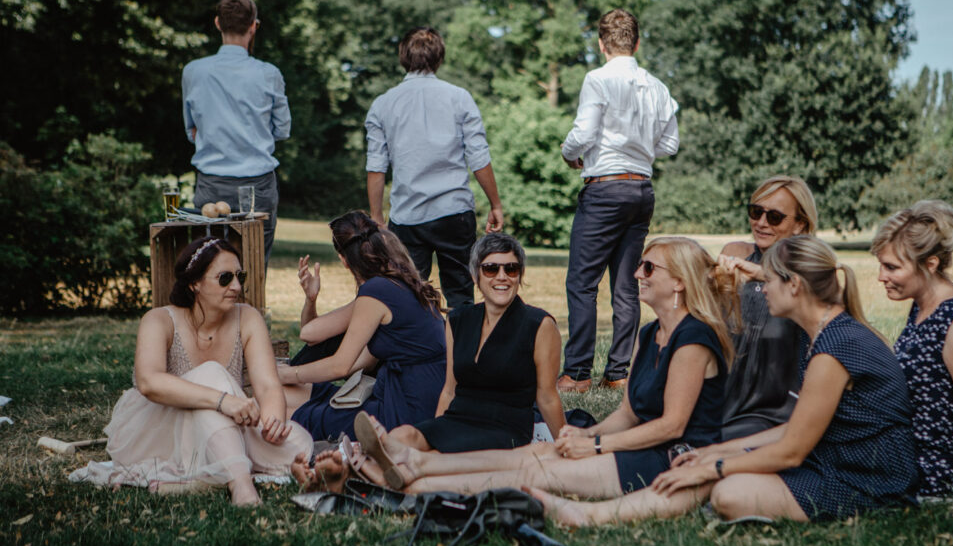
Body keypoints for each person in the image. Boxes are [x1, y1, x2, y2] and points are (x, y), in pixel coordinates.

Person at [528, 235, 920, 526]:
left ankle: (590, 516)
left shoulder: (835, 347)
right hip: (831, 460)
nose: (762, 289)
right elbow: (793, 430)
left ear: (795, 287)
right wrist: (720, 452)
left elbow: (790, 451)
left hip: (867, 480)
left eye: (770, 281)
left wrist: (713, 466)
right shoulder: (827, 334)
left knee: (728, 491)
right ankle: (588, 514)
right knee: (717, 474)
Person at [353, 237, 739, 499]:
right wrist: (581, 435)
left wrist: (595, 444)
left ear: (679, 283)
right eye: (640, 265)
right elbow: (628, 413)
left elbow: (672, 426)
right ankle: (406, 461)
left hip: (673, 457)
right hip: (640, 446)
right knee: (533, 455)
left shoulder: (693, 338)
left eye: (648, 268)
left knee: (530, 471)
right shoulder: (650, 332)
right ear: (476, 275)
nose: (637, 274)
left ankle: (407, 484)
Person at [296, 233, 568, 492]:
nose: (502, 276)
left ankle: (357, 474)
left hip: (503, 428)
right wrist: (436, 428)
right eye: (490, 269)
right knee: (404, 436)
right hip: (459, 418)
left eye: (511, 269)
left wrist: (566, 448)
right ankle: (367, 468)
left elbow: (547, 397)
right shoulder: (459, 320)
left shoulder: (539, 325)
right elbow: (449, 390)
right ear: (475, 275)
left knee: (435, 455)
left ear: (520, 275)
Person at [97, 236, 312, 506]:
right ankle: (242, 486)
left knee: (299, 444)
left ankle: (201, 479)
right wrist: (223, 401)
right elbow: (149, 382)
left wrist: (273, 422)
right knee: (211, 373)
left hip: (220, 425)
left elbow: (268, 386)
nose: (236, 286)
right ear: (194, 283)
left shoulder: (248, 317)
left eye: (240, 276)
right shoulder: (158, 320)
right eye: (225, 278)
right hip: (161, 429)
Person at [558, 9, 680, 393]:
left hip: (606, 188)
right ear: (637, 43)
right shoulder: (657, 86)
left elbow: (584, 133)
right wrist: (640, 147)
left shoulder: (597, 79)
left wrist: (568, 152)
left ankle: (578, 373)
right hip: (641, 189)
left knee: (582, 282)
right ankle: (618, 373)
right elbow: (670, 144)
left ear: (601, 44)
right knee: (626, 285)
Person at [365, 26, 505, 310]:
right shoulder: (460, 97)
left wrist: (377, 218)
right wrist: (495, 204)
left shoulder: (382, 105)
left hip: (407, 215)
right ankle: (460, 340)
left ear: (403, 57)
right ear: (439, 58)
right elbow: (479, 157)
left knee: (409, 299)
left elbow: (376, 168)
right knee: (461, 297)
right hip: (454, 212)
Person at [281, 211, 446, 442]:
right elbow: (312, 335)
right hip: (409, 397)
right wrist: (311, 299)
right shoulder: (396, 284)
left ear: (344, 260)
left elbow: (340, 366)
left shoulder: (377, 291)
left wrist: (288, 373)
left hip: (406, 409)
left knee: (288, 413)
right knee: (284, 394)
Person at [872, 200, 953, 496]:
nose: (880, 276)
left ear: (930, 264)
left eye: (891, 267)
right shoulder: (922, 304)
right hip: (907, 452)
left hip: (935, 473)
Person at [182, 0, 290, 271]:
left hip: (211, 185)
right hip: (258, 187)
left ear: (218, 23)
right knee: (253, 271)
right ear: (253, 26)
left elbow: (191, 131)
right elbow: (282, 129)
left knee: (208, 273)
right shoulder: (269, 74)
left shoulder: (193, 72)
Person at [717, 175, 818, 438]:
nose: (761, 223)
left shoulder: (809, 269)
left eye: (774, 217)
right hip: (724, 390)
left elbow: (816, 295)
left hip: (774, 406)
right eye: (756, 211)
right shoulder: (736, 252)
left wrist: (763, 274)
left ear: (799, 224)